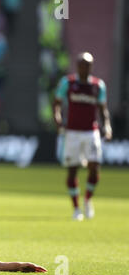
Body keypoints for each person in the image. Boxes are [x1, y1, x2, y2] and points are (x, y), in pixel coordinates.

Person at [53, 52, 112, 221]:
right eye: (81, 64)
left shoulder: (98, 85)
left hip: (91, 132)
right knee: (72, 171)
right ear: (77, 66)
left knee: (94, 168)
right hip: (72, 132)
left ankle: (87, 199)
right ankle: (76, 208)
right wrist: (57, 119)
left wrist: (107, 127)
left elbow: (103, 109)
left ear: (91, 66)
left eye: (87, 64)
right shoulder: (68, 83)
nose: (84, 67)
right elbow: (57, 103)